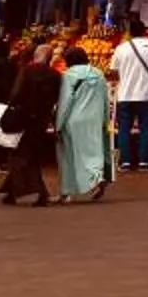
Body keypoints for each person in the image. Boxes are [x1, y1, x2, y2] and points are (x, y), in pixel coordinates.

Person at [0, 44, 62, 207]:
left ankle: (39, 192)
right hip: (41, 119)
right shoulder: (55, 75)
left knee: (20, 156)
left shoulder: (27, 71)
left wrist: (10, 107)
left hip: (23, 117)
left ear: (35, 56)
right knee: (29, 153)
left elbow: (16, 93)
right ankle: (12, 192)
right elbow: (57, 98)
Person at [55, 44, 111, 202]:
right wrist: (105, 120)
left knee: (69, 156)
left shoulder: (68, 76)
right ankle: (96, 177)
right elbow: (105, 99)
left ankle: (67, 191)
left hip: (73, 120)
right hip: (94, 119)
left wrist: (58, 124)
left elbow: (65, 102)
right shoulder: (98, 73)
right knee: (93, 152)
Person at [109, 23, 148, 176]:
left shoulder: (121, 48)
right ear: (145, 31)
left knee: (124, 129)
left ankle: (125, 162)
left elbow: (113, 70)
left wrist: (126, 75)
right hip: (147, 95)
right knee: (145, 128)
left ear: (130, 32)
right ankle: (144, 162)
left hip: (125, 95)